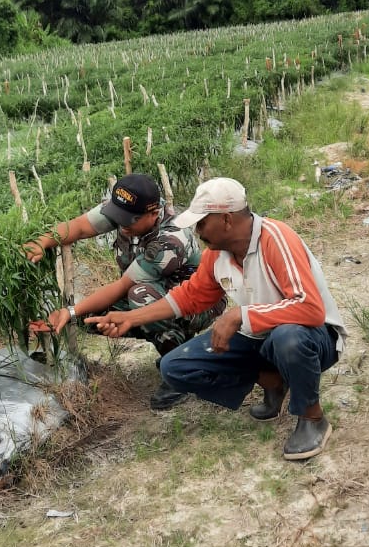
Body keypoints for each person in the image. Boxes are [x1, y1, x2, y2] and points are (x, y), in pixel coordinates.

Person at [86, 177, 347, 461]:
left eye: (201, 223)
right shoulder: (217, 255)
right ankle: (273, 381)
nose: (198, 231)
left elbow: (309, 308)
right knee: (176, 367)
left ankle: (312, 418)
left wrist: (240, 314)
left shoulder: (276, 238)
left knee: (288, 338)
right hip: (262, 336)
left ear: (225, 220)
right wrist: (131, 317)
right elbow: (189, 297)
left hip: (314, 337)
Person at [26, 173, 226, 410]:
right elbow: (79, 227)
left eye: (129, 220)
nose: (122, 225)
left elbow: (123, 286)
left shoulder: (170, 239)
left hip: (198, 303)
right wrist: (43, 241)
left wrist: (69, 311)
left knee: (138, 296)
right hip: (157, 293)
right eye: (118, 217)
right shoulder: (127, 210)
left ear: (153, 214)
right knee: (92, 318)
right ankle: (175, 348)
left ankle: (182, 368)